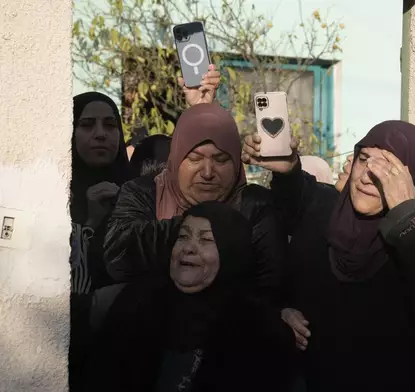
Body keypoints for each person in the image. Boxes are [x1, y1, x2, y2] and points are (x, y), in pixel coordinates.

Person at [242, 120, 415, 392]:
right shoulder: (325, 214)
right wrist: (282, 314)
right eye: (363, 159)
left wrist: (406, 217)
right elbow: (278, 283)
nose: (366, 175)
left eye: (386, 168)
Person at [85, 201, 295, 391]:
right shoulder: (138, 301)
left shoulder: (260, 329)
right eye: (183, 236)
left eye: (205, 240)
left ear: (231, 252)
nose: (188, 249)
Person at [104, 103, 286, 300]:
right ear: (175, 158)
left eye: (221, 160)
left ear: (236, 164)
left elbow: (270, 287)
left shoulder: (254, 204)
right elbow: (118, 257)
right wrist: (205, 227)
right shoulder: (144, 192)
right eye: (195, 158)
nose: (207, 172)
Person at [69, 91, 133, 391]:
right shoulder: (50, 197)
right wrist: (91, 224)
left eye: (110, 125)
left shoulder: (138, 195)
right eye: (86, 125)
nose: (100, 134)